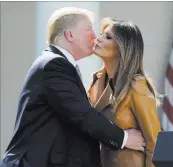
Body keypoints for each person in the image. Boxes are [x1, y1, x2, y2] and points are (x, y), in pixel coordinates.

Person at [0, 7, 145, 167]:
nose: (95, 36)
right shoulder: (53, 64)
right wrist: (123, 138)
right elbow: (82, 114)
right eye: (88, 29)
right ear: (70, 35)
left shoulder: (57, 64)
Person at [87, 18, 161, 167]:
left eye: (107, 37)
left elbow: (154, 143)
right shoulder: (97, 80)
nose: (98, 38)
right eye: (101, 34)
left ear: (123, 47)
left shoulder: (137, 86)